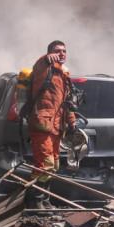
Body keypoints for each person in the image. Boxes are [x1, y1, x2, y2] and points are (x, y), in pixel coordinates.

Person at [26, 40, 76, 180]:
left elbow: (67, 102)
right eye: (57, 50)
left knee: (54, 166)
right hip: (42, 125)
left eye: (64, 51)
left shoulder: (64, 75)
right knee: (44, 165)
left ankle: (44, 200)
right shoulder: (44, 68)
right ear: (50, 53)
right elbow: (39, 67)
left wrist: (72, 122)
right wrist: (45, 59)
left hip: (56, 127)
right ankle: (34, 199)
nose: (61, 53)